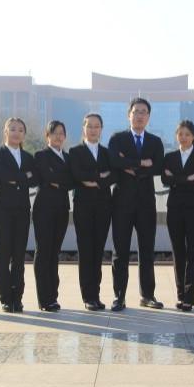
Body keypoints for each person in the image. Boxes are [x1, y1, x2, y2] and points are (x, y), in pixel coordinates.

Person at [107, 98, 164, 312]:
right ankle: (119, 296)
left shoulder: (155, 142)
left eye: (143, 112)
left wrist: (128, 164)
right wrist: (140, 163)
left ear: (148, 117)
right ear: (128, 115)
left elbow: (157, 166)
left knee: (147, 250)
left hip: (146, 203)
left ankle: (147, 295)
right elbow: (114, 161)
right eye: (136, 111)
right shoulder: (117, 138)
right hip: (122, 203)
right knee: (120, 251)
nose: (139, 115)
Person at [0, 117, 38, 313]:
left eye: (20, 130)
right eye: (12, 129)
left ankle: (17, 298)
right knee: (4, 253)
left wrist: (16, 178)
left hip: (22, 210)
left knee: (19, 255)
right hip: (2, 210)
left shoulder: (28, 157)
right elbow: (2, 175)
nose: (16, 133)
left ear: (24, 134)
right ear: (5, 132)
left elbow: (34, 179)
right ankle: (5, 298)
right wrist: (23, 176)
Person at [69, 113, 116, 310]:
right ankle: (88, 296)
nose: (93, 130)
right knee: (86, 250)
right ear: (83, 128)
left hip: (104, 207)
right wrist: (100, 176)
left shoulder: (107, 152)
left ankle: (96, 294)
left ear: (101, 129)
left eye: (97, 126)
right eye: (89, 126)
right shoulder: (75, 151)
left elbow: (113, 175)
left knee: (98, 251)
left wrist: (93, 180)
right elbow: (77, 174)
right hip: (83, 207)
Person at [161, 120, 194, 312]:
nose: (184, 137)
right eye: (180, 134)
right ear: (176, 136)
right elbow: (165, 179)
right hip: (174, 209)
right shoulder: (169, 157)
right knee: (178, 251)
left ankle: (190, 296)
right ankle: (180, 294)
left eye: (187, 134)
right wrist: (187, 179)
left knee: (193, 252)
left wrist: (176, 179)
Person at [32, 120, 73, 311]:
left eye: (61, 133)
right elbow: (48, 177)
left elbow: (72, 181)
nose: (58, 136)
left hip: (62, 208)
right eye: (54, 133)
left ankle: (53, 296)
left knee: (54, 252)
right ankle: (44, 298)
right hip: (44, 209)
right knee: (44, 251)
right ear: (47, 136)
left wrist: (58, 181)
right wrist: (59, 180)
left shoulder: (68, 157)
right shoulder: (41, 155)